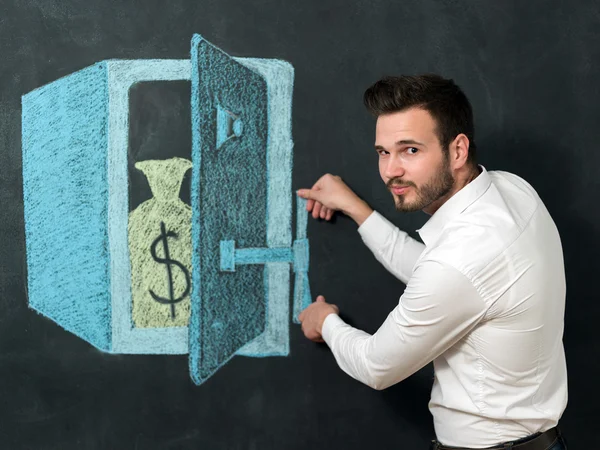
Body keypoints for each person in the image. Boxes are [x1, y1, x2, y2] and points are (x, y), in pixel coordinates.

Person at [297, 74, 568, 450]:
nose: (391, 170)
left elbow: (377, 366)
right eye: (382, 152)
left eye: (410, 150)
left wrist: (324, 322)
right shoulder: (511, 190)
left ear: (457, 151)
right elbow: (443, 275)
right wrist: (359, 210)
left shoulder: (460, 260)